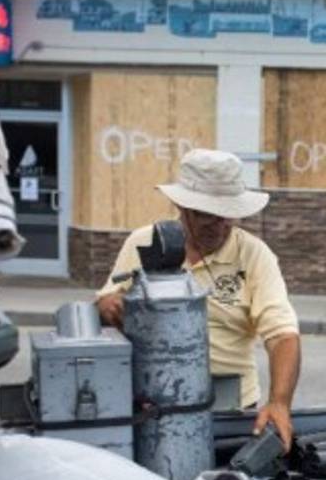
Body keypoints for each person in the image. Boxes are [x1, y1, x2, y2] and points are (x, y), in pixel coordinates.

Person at [96, 149, 301, 447]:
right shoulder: (142, 242)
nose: (220, 225)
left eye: (228, 215)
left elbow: (282, 334)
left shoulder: (255, 255)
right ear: (182, 206)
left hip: (230, 409)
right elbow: (104, 304)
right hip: (149, 404)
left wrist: (279, 402)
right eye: (208, 215)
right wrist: (108, 307)